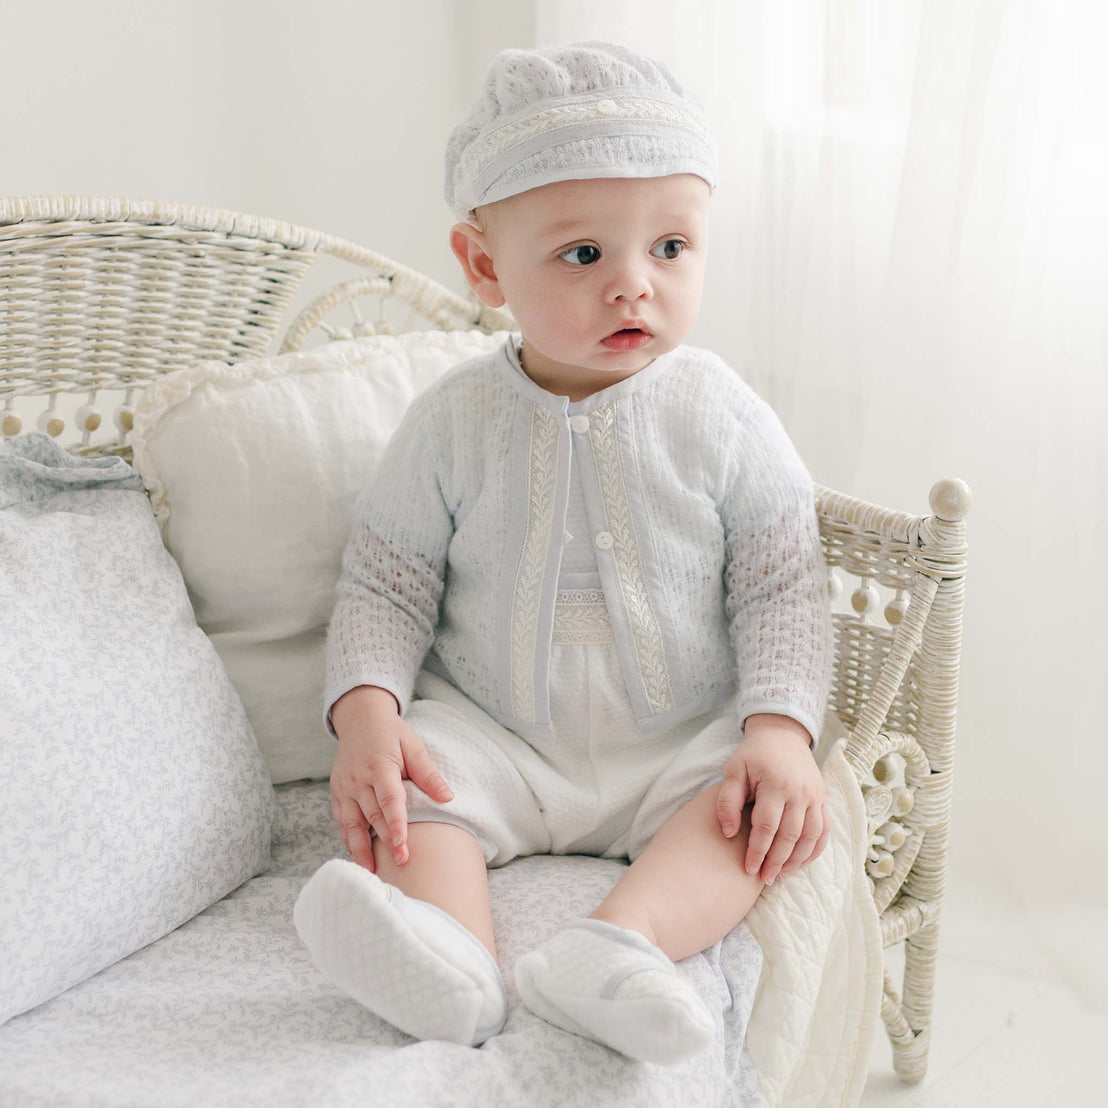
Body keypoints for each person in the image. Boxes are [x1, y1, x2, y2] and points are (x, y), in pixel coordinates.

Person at [293, 40, 834, 1065]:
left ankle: (618, 947)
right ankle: (447, 962)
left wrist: (778, 727)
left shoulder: (720, 412)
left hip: (675, 741)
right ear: (485, 265)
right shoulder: (453, 420)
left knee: (752, 810)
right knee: (417, 785)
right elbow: (386, 577)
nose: (635, 286)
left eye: (671, 248)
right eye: (584, 255)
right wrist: (368, 709)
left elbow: (781, 584)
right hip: (500, 735)